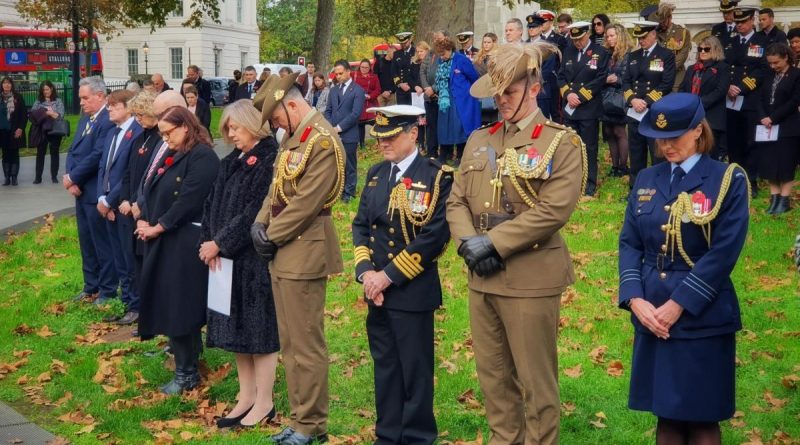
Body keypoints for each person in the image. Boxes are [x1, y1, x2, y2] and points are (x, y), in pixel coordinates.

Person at [447, 42, 585, 445]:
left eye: (509, 92)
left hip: (530, 276)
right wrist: (468, 244)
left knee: (535, 382)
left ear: (535, 86)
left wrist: (490, 244)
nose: (501, 101)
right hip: (482, 277)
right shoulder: (479, 139)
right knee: (493, 378)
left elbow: (552, 211)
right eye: (497, 92)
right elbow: (456, 200)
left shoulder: (561, 143)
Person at [618, 92, 750, 445]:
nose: (666, 146)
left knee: (703, 418)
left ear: (697, 131)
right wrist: (634, 299)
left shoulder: (726, 179)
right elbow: (630, 242)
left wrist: (678, 305)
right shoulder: (647, 178)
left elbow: (723, 252)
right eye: (660, 139)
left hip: (701, 313)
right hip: (652, 313)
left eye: (674, 137)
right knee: (668, 418)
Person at [251, 72, 345, 445]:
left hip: (304, 250)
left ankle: (311, 424)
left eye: (275, 118)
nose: (275, 125)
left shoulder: (321, 140)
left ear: (292, 105)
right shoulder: (295, 138)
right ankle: (300, 417)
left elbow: (306, 203)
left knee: (305, 344)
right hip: (285, 250)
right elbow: (276, 190)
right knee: (290, 343)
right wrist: (259, 225)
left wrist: (269, 235)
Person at [352, 105, 452, 445]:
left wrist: (387, 276)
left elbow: (435, 236)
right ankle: (388, 433)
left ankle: (417, 437)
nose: (383, 143)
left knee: (415, 370)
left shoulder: (437, 176)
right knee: (386, 366)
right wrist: (366, 274)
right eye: (379, 137)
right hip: (376, 291)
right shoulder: (377, 173)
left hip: (412, 289)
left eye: (391, 136)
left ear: (413, 133)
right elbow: (361, 226)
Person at [202, 99, 281, 428]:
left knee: (259, 332)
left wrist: (221, 243)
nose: (231, 133)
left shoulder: (268, 158)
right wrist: (209, 241)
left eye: (235, 127)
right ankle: (245, 396)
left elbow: (255, 210)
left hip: (253, 261)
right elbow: (211, 204)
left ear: (253, 123)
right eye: (227, 129)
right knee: (235, 332)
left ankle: (265, 400)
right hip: (223, 259)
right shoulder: (230, 160)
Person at [136, 106, 219, 394]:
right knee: (172, 303)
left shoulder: (203, 157)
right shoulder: (179, 152)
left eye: (169, 132)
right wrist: (145, 218)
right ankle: (186, 364)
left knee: (180, 307)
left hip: (185, 241)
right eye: (161, 133)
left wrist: (158, 226)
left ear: (186, 126)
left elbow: (189, 200)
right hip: (167, 238)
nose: (165, 138)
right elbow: (152, 188)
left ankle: (187, 374)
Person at [64, 76, 118, 303]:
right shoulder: (87, 119)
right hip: (80, 190)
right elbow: (74, 150)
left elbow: (97, 155)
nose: (82, 103)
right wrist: (70, 177)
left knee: (101, 243)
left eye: (86, 98)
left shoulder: (107, 120)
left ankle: (106, 290)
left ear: (100, 96)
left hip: (95, 190)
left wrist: (74, 177)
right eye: (80, 98)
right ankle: (91, 286)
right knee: (86, 241)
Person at [96, 90, 143, 325]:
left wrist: (111, 200)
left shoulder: (136, 133)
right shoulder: (112, 133)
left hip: (122, 205)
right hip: (109, 206)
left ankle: (136, 305)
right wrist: (101, 198)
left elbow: (128, 174)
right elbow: (103, 169)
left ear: (127, 107)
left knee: (128, 257)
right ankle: (126, 302)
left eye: (114, 106)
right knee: (118, 259)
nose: (109, 110)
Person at [558, 21, 610, 197]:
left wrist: (579, 96)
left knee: (589, 147)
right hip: (570, 107)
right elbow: (561, 76)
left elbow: (600, 78)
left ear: (587, 34)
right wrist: (567, 95)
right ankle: (572, 182)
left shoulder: (600, 52)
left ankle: (589, 184)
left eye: (580, 39)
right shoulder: (568, 51)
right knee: (570, 147)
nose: (577, 43)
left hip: (587, 107)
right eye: (574, 39)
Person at [623, 21, 676, 186]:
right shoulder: (633, 56)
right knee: (636, 151)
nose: (641, 41)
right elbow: (626, 82)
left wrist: (645, 102)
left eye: (644, 37)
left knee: (656, 152)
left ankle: (659, 185)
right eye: (639, 37)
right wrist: (633, 99)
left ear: (653, 34)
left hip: (654, 109)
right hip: (635, 110)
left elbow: (666, 84)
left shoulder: (666, 55)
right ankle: (635, 186)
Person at [119, 91, 161, 297]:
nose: (138, 119)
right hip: (131, 208)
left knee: (147, 264)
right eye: (135, 115)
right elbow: (128, 172)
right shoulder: (139, 139)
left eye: (141, 114)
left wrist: (137, 202)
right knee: (134, 260)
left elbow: (151, 177)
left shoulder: (160, 139)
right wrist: (126, 199)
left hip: (146, 210)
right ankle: (138, 306)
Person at [725, 7, 768, 195]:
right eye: (737, 22)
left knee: (750, 139)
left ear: (752, 21)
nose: (739, 25)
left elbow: (762, 70)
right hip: (730, 98)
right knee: (733, 139)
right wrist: (728, 86)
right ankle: (735, 176)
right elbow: (725, 67)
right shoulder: (729, 42)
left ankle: (751, 179)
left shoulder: (761, 41)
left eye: (743, 22)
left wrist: (741, 87)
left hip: (750, 98)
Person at [755, 43, 800, 214]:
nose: (773, 66)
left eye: (776, 63)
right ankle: (774, 198)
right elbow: (759, 97)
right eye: (770, 63)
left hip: (788, 126)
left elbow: (795, 100)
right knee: (770, 162)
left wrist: (773, 117)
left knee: (786, 163)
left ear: (786, 57)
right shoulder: (768, 74)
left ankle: (785, 200)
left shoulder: (796, 75)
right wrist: (763, 116)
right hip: (767, 126)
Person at [680, 36, 730, 160]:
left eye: (706, 49)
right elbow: (682, 88)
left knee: (709, 155)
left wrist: (698, 103)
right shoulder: (692, 68)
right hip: (691, 117)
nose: (702, 51)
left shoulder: (722, 68)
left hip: (711, 118)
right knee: (691, 154)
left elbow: (720, 91)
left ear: (715, 50)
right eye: (700, 49)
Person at [433, 37, 480, 166]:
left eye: (443, 54)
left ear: (450, 49)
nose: (441, 57)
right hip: (445, 100)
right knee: (444, 127)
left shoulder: (461, 60)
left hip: (460, 99)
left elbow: (474, 77)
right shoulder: (441, 61)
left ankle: (460, 156)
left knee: (459, 128)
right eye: (440, 55)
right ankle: (443, 155)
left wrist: (468, 93)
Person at [325, 59, 366, 203]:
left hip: (348, 134)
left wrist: (339, 128)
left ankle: (349, 192)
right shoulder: (334, 90)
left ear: (349, 72)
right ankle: (337, 190)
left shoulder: (358, 91)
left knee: (349, 164)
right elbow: (328, 110)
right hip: (333, 132)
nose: (338, 76)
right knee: (334, 163)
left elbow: (355, 114)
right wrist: (330, 127)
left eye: (341, 73)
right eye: (336, 74)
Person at [601, 23, 634, 178]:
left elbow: (630, 77)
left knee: (619, 131)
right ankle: (614, 166)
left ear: (620, 36)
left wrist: (617, 79)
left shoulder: (628, 54)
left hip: (620, 95)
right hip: (606, 96)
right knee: (608, 131)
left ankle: (622, 166)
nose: (609, 38)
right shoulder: (606, 54)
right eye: (607, 36)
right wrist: (604, 79)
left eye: (612, 35)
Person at [647, 4, 692, 91]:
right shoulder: (654, 33)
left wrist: (666, 69)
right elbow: (651, 55)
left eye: (663, 21)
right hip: (656, 77)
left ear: (670, 18)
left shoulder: (682, 33)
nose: (661, 24)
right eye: (659, 22)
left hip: (676, 78)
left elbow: (681, 57)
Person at [30, 80, 65, 184]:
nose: (45, 91)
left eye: (47, 89)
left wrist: (46, 112)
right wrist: (50, 113)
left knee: (55, 153)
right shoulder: (38, 101)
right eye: (43, 89)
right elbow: (33, 115)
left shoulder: (58, 101)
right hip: (42, 130)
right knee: (40, 153)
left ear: (52, 89)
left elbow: (60, 116)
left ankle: (54, 176)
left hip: (55, 130)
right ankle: (38, 177)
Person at [0, 77, 26, 186]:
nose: (7, 85)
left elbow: (23, 115)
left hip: (15, 130)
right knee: (5, 154)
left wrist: (20, 128)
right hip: (2, 131)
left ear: (12, 85)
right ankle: (7, 177)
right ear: (2, 85)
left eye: (9, 83)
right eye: (5, 83)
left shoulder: (18, 97)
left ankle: (14, 177)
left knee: (14, 153)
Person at [352, 58, 382, 150]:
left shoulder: (374, 77)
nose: (364, 69)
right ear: (359, 67)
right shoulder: (354, 75)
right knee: (360, 125)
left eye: (366, 67)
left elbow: (378, 89)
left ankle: (379, 143)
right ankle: (361, 145)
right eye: (362, 67)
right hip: (359, 104)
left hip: (371, 104)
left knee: (377, 124)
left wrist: (370, 96)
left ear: (370, 68)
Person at [392, 32, 417, 106]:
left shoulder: (416, 52)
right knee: (402, 114)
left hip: (413, 89)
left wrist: (414, 85)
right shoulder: (397, 54)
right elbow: (393, 71)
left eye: (405, 43)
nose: (403, 45)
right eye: (401, 44)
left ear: (409, 40)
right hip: (401, 89)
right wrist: (400, 84)